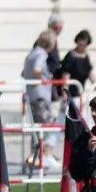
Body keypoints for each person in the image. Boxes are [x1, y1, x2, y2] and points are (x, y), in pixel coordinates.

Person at [24, 32, 59, 169]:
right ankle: (42, 157)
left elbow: (23, 73)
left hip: (31, 96)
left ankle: (35, 158)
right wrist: (42, 80)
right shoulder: (41, 54)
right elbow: (37, 69)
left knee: (37, 129)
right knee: (46, 127)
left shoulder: (31, 54)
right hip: (40, 96)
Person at [60, 30, 96, 103]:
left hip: (80, 94)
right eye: (81, 41)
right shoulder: (70, 56)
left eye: (85, 42)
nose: (82, 43)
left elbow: (90, 74)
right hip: (70, 96)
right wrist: (64, 97)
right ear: (77, 41)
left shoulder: (86, 57)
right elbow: (65, 77)